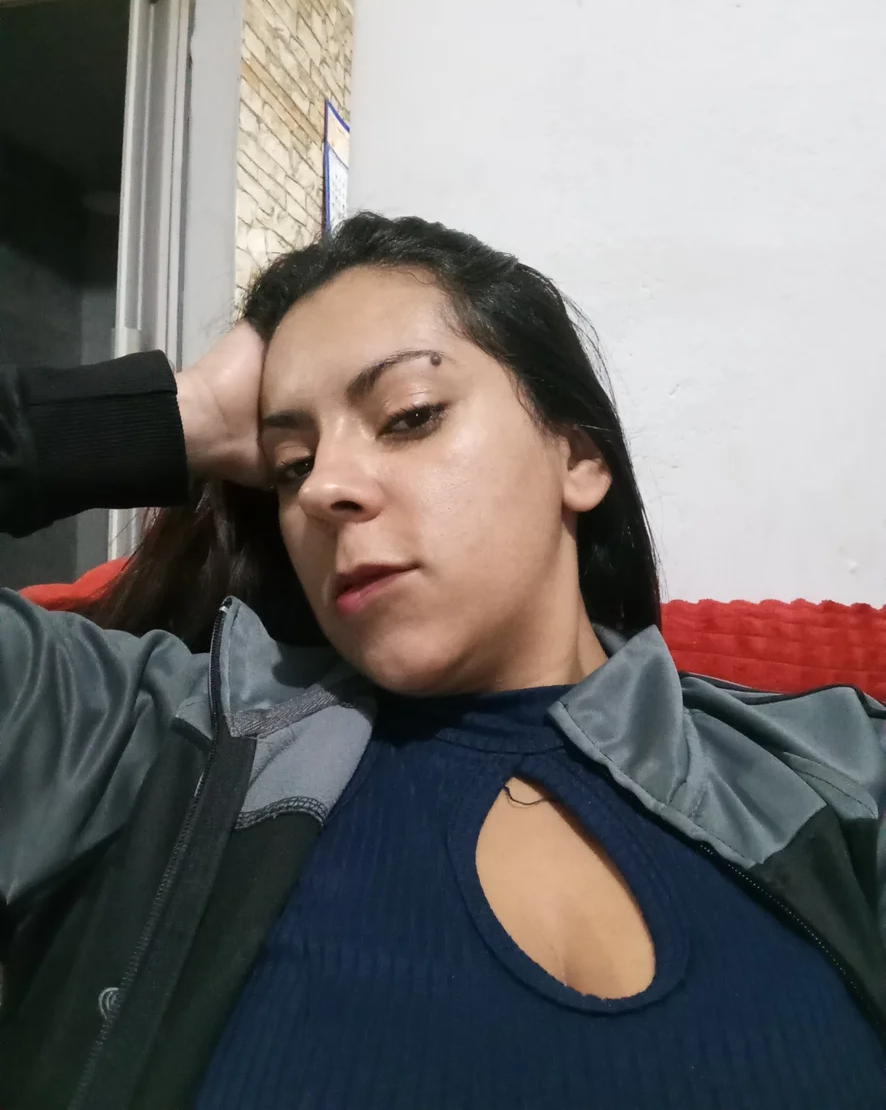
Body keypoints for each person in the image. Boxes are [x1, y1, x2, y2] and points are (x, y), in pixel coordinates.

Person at [0, 213, 883, 1110]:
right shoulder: (135, 740)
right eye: (291, 462)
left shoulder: (837, 770)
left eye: (410, 415)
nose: (325, 487)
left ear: (578, 457)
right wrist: (174, 413)